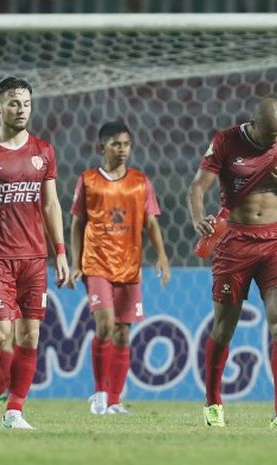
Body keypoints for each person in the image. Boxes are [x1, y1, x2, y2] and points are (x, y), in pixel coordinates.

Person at [188, 97, 277, 429]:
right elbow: (198, 187)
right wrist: (199, 218)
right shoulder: (225, 142)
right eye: (270, 134)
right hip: (235, 242)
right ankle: (213, 403)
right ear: (253, 124)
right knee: (224, 328)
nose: (276, 140)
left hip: (274, 243)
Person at [0, 77, 70, 429]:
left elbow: (51, 203)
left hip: (34, 256)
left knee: (30, 334)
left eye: (25, 103)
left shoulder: (43, 151)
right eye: (13, 103)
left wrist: (61, 253)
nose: (20, 109)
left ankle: (14, 411)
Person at [69, 121, 171, 416]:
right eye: (116, 144)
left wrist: (162, 256)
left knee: (124, 334)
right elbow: (77, 223)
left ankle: (115, 401)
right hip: (97, 263)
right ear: (101, 147)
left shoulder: (140, 181)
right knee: (105, 325)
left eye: (126, 144)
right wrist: (76, 263)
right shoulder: (88, 180)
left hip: (130, 266)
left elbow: (151, 222)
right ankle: (99, 395)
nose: (122, 149)